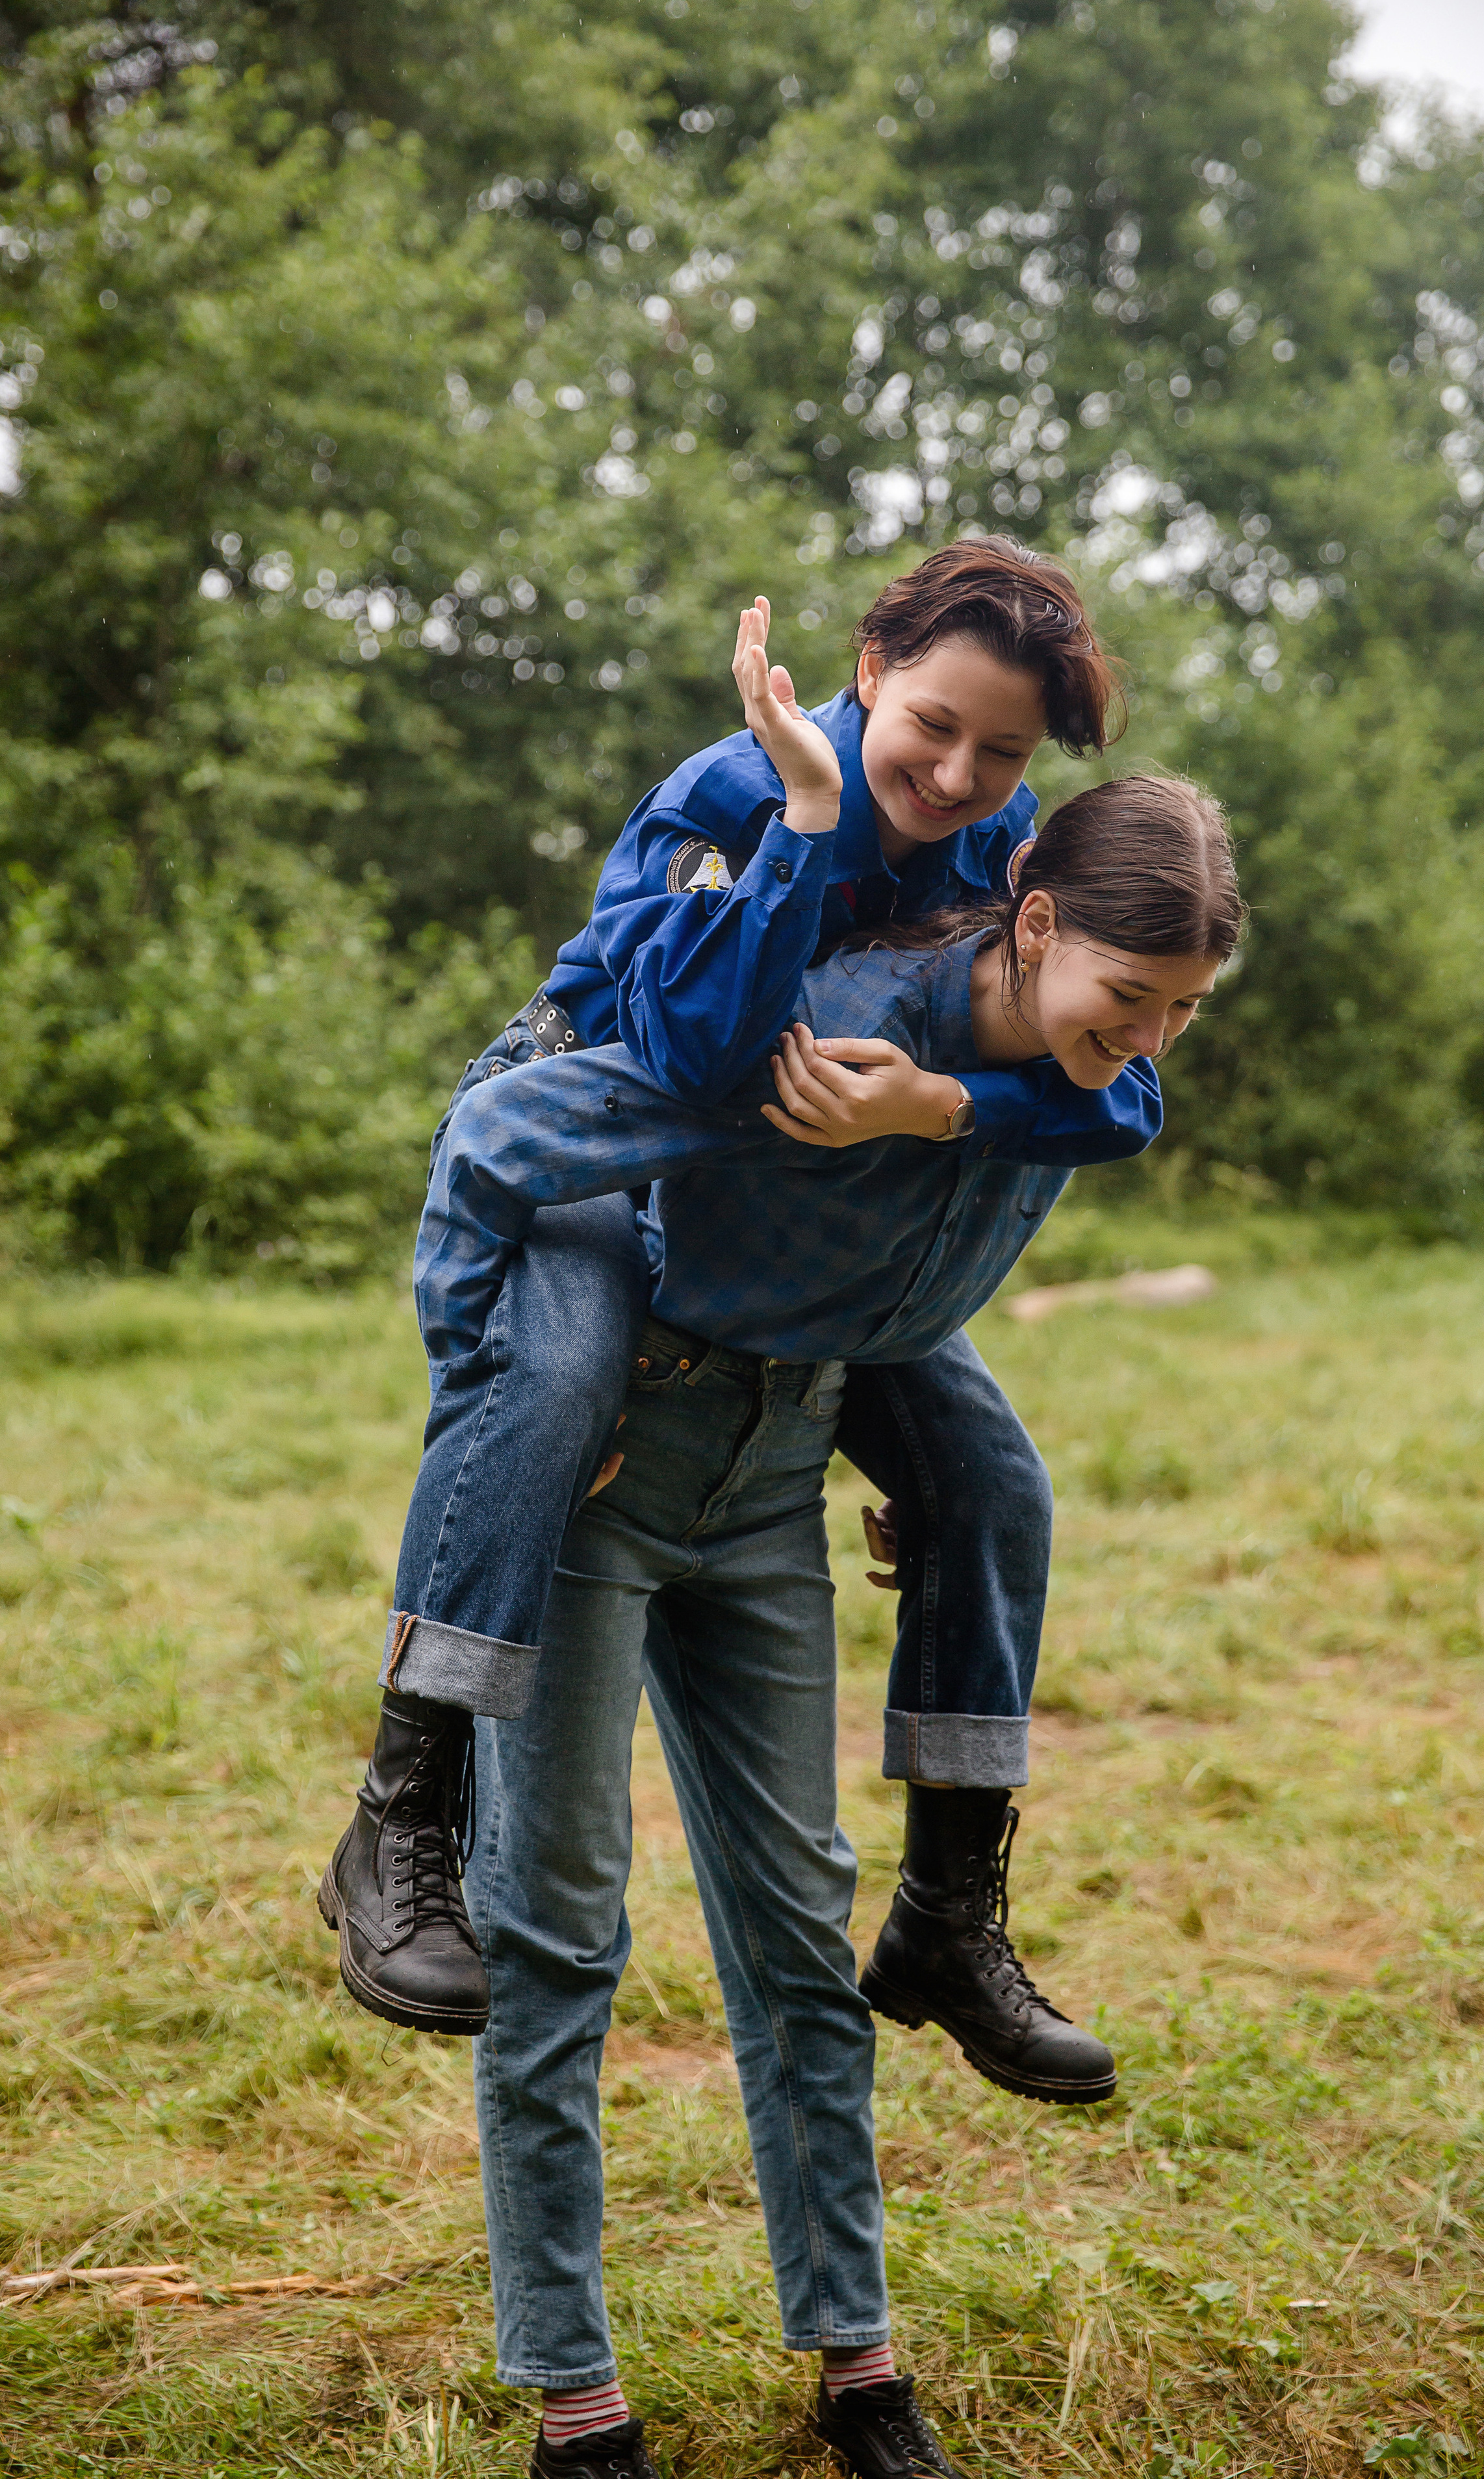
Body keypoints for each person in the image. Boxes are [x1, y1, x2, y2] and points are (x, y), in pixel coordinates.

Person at [332, 781, 1242, 2479]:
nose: (1147, 1046)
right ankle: (575, 2399)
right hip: (613, 1462)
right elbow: (518, 1144)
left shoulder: (1064, 1069)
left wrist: (909, 1418)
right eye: (1136, 1005)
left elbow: (1076, 1129)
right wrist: (507, 1386)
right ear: (1040, 929)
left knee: (793, 1925)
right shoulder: (810, 1028)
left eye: (1181, 1013)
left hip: (780, 1471)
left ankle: (859, 2363)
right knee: (556, 1927)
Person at [322, 541, 1155, 2079]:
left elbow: (1104, 1082)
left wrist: (936, 1107)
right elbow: (699, 1049)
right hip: (593, 1120)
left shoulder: (1007, 844)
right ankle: (398, 1818)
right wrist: (812, 821)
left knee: (985, 1479)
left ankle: (948, 1911)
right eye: (932, 726)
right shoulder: (730, 792)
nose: (962, 773)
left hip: (793, 1187)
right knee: (561, 1374)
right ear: (865, 673)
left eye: (1003, 752)